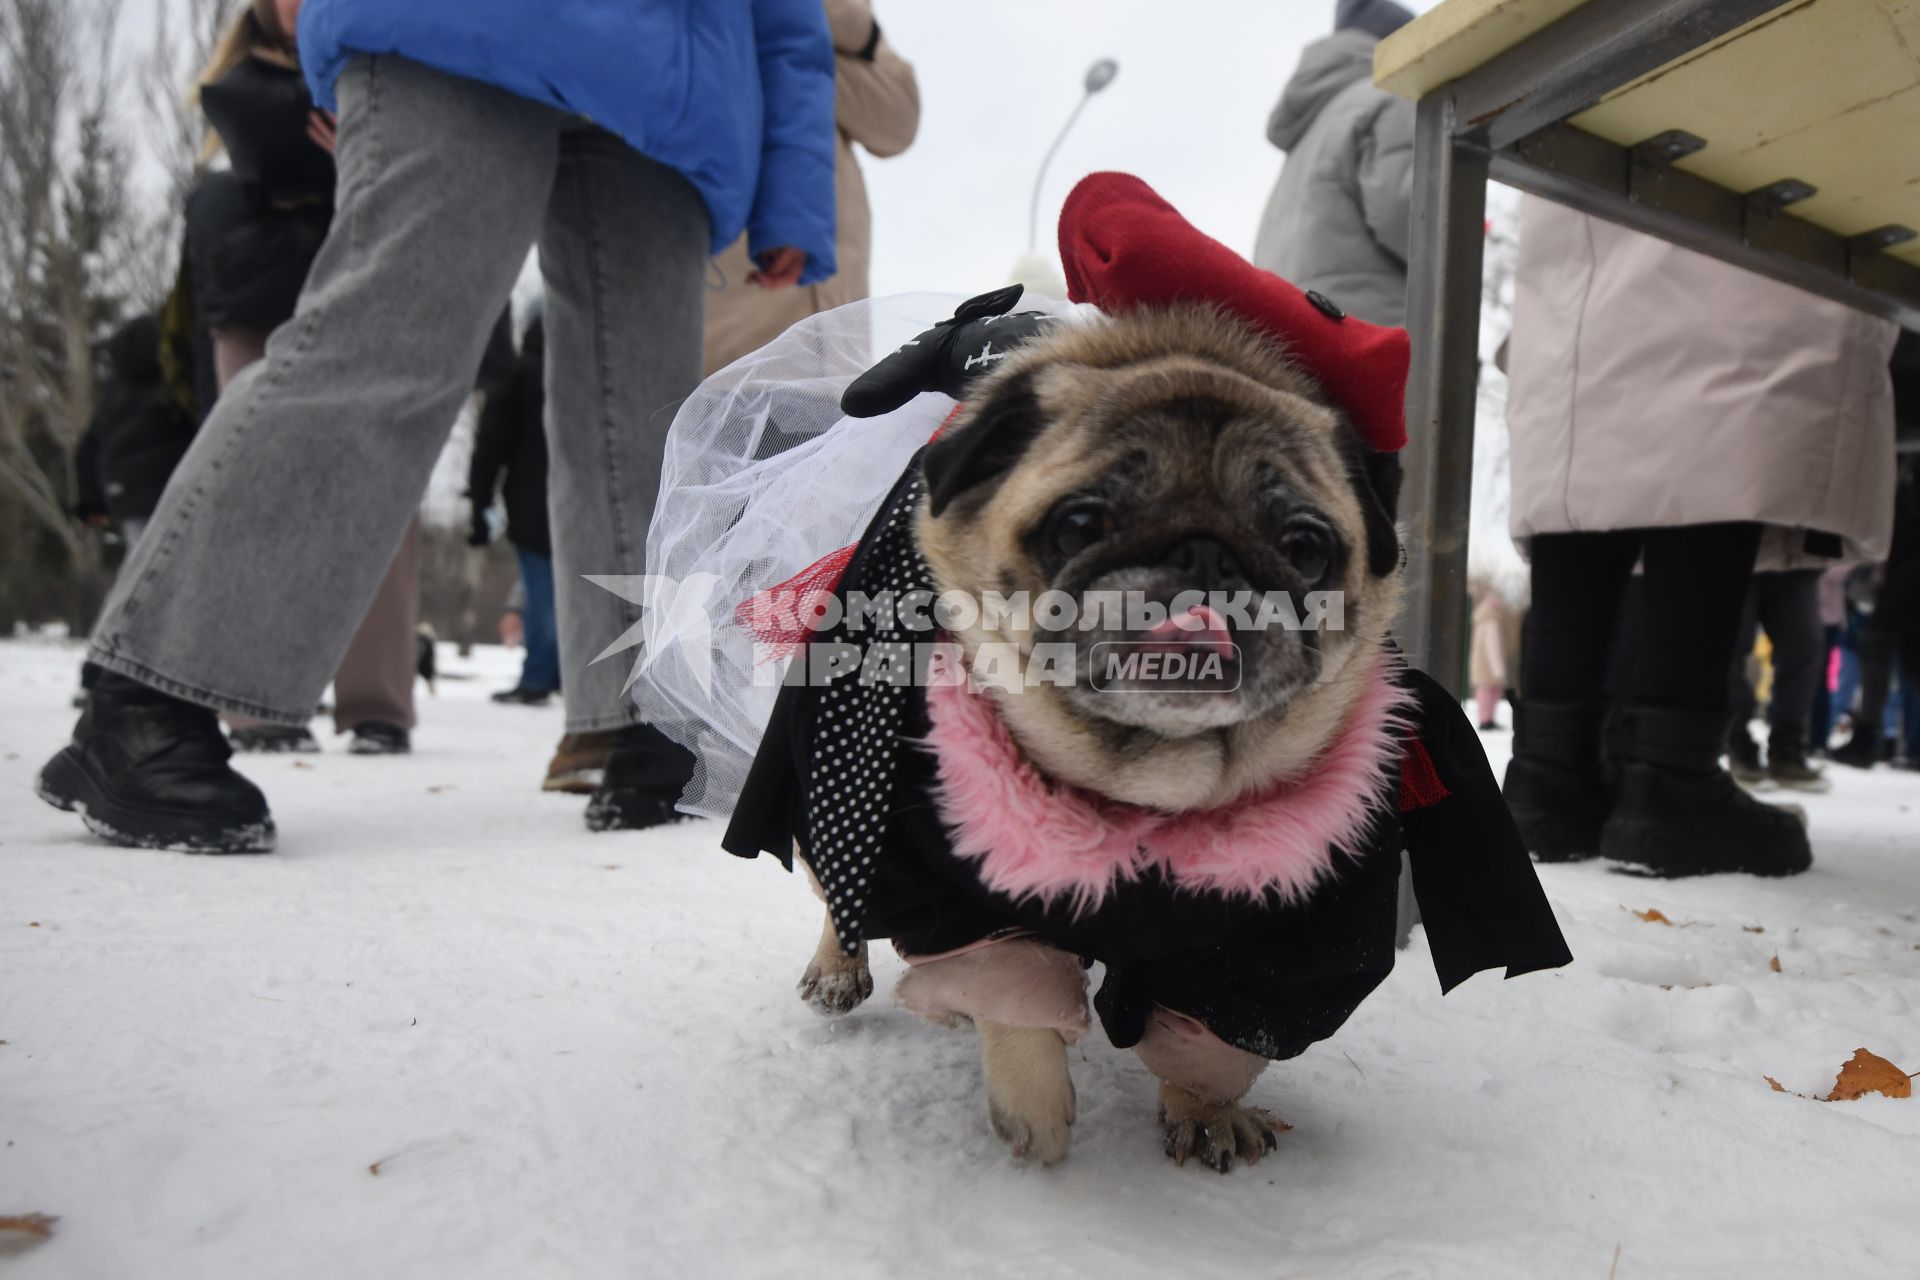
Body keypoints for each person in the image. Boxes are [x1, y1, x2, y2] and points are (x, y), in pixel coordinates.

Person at [37, 0, 838, 852]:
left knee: (645, 421)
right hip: (453, 23)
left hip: (675, 84)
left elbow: (789, 19)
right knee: (383, 343)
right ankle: (149, 695)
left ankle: (652, 722)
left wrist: (794, 190)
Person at [1500, 201, 1897, 877]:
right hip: (1733, 175)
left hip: (1584, 201)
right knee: (1720, 387)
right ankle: (1670, 781)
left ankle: (1547, 778)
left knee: (1590, 414)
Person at [175, 8, 420, 756]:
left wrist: (371, 150)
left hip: (359, 294)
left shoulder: (387, 60)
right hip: (256, 300)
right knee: (257, 494)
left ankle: (376, 702)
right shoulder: (247, 87)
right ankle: (255, 700)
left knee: (380, 496)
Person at [703, 0, 918, 374]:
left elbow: (899, 120)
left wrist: (801, 43)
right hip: (734, 361)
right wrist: (835, 34)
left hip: (840, 363)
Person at [1252, 0, 1416, 328]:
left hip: (1287, 335)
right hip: (1368, 333)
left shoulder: (1305, 137)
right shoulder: (1389, 99)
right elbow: (1411, 217)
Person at [469, 314, 558, 707]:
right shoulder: (589, 376)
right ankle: (576, 678)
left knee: (541, 594)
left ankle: (539, 676)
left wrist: (480, 499)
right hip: (589, 506)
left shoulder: (519, 374)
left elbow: (491, 444)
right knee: (584, 591)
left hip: (531, 505)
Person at [1831, 456, 1920, 767]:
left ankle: (1868, 737)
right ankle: (1869, 737)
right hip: (1901, 561)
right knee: (1902, 653)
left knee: (1880, 643)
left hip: (1907, 564)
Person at [1726, 569, 1829, 790]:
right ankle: (1736, 739)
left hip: (1797, 554)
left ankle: (1788, 746)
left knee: (1804, 646)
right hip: (1736, 549)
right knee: (1729, 643)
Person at [1468, 579, 1510, 731]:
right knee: (1490, 692)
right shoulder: (1491, 622)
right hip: (1488, 666)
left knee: (1484, 692)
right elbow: (1493, 648)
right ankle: (1486, 720)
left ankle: (1486, 719)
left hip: (1481, 664)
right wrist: (1498, 670)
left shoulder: (1482, 620)